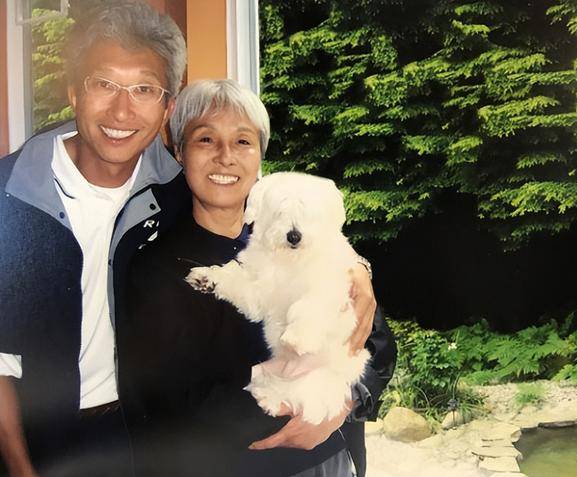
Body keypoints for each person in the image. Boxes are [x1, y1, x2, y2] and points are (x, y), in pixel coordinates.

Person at [0, 1, 379, 475]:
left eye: (144, 88)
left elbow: (285, 220)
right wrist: (20, 469)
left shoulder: (182, 187)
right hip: (51, 440)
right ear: (75, 92)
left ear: (167, 107)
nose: (122, 109)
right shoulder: (11, 198)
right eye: (104, 84)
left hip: (146, 440)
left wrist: (355, 267)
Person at [119, 79, 396, 477]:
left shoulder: (302, 237)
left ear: (260, 155)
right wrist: (292, 414)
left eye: (243, 141)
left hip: (331, 461)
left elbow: (375, 344)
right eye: (205, 139)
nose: (225, 157)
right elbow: (173, 398)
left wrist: (344, 403)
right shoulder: (157, 270)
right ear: (179, 150)